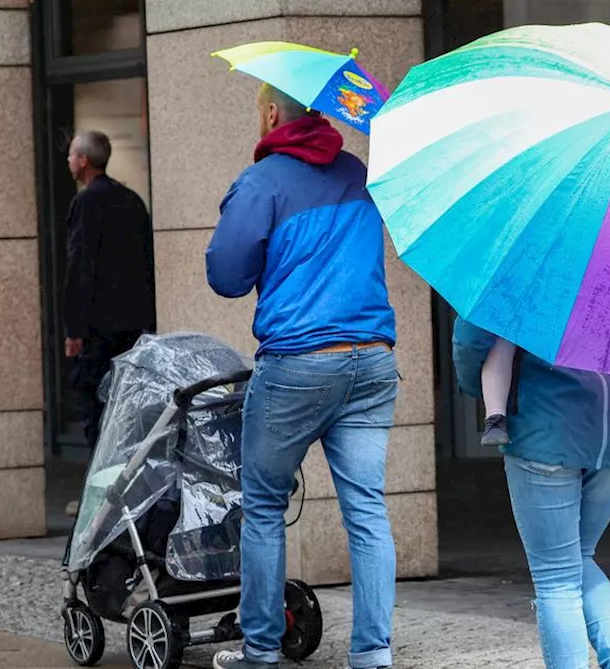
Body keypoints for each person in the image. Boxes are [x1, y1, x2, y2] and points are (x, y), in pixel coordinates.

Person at [206, 84, 398, 669]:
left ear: (271, 114)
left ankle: (261, 649)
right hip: (372, 360)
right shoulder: (357, 173)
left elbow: (226, 275)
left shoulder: (261, 182)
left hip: (299, 365)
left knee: (263, 503)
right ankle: (372, 654)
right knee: (366, 507)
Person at [452, 318, 610, 669]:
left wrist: (481, 392)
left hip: (548, 426)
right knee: (579, 560)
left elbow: (471, 338)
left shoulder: (524, 262)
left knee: (558, 578)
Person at [62, 129, 156, 483]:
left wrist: (74, 329)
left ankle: (100, 489)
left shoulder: (85, 204)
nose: (69, 160)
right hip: (133, 325)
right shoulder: (132, 200)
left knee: (94, 410)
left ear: (83, 161)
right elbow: (147, 264)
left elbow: (79, 268)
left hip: (98, 327)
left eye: (72, 154)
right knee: (127, 409)